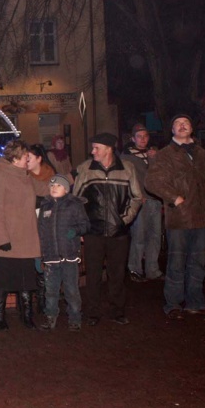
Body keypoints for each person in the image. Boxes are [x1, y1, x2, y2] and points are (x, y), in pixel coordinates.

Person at [146, 114, 205, 319]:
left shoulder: (201, 153)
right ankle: (173, 304)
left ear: (192, 128)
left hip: (202, 217)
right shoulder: (165, 154)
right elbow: (152, 182)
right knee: (176, 263)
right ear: (172, 130)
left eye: (186, 123)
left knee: (198, 263)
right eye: (178, 124)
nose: (182, 126)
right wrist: (175, 198)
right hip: (179, 218)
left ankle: (195, 302)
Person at [73, 133, 141, 326]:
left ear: (109, 149)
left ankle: (117, 311)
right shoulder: (86, 169)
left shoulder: (127, 168)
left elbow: (137, 197)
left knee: (117, 274)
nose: (92, 151)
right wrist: (83, 225)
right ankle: (92, 312)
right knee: (93, 274)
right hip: (93, 232)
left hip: (118, 233)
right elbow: (76, 200)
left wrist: (124, 220)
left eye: (97, 147)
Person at [0, 140, 42, 331]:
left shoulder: (25, 176)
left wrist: (68, 178)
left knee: (26, 279)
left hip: (25, 239)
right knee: (3, 279)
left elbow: (44, 189)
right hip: (6, 238)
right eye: (26, 156)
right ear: (16, 158)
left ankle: (27, 316)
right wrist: (2, 238)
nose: (28, 160)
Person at [37, 175, 91, 331]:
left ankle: (75, 318)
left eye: (58, 186)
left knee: (71, 290)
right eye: (52, 186)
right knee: (51, 290)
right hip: (51, 256)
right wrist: (42, 252)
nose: (54, 188)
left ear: (66, 189)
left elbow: (85, 225)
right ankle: (50, 317)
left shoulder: (74, 205)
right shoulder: (45, 206)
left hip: (69, 255)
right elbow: (41, 230)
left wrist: (75, 231)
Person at [121, 124, 164, 282]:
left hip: (155, 200)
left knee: (155, 236)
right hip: (140, 201)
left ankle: (152, 269)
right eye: (139, 136)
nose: (143, 139)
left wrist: (154, 158)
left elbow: (159, 175)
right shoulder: (126, 157)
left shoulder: (154, 154)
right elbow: (125, 179)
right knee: (139, 236)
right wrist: (135, 196)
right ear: (133, 139)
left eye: (145, 136)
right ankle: (135, 269)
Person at [27, 143, 58, 313]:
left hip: (48, 225)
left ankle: (45, 297)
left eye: (29, 157)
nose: (26, 160)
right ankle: (38, 298)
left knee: (46, 260)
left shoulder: (51, 174)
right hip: (30, 225)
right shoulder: (24, 176)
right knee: (35, 260)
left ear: (39, 159)